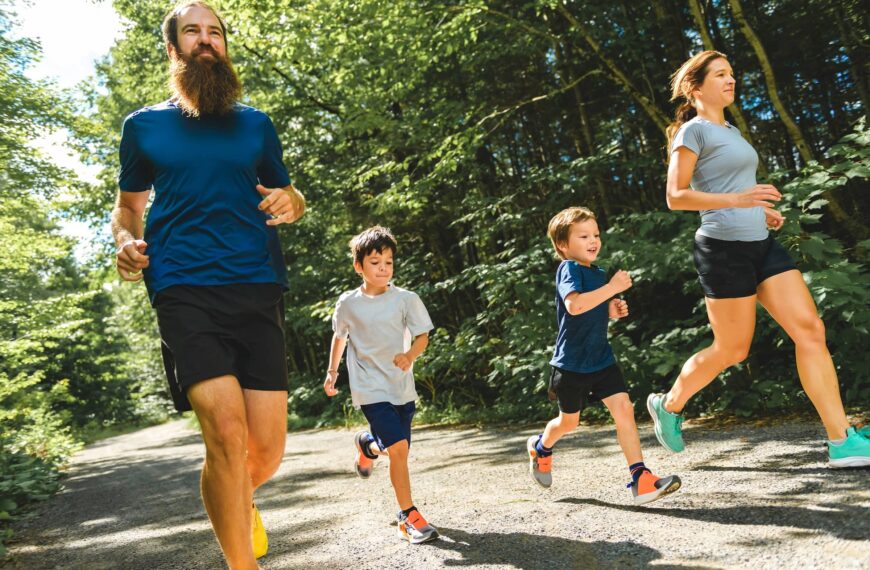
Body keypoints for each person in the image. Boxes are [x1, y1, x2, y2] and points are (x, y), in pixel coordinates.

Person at [111, 2, 305, 567]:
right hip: (183, 289)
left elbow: (286, 194)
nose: (205, 40)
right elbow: (127, 208)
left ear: (224, 46)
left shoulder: (256, 124)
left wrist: (294, 200)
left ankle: (238, 499)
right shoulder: (144, 126)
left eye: (214, 32)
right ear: (173, 50)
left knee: (264, 454)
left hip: (255, 284)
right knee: (225, 435)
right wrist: (125, 240)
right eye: (191, 31)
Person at [647, 50, 869, 468]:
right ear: (696, 88)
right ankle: (669, 404)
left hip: (761, 243)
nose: (731, 80)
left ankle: (841, 441)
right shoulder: (691, 133)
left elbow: (733, 186)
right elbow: (675, 197)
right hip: (723, 250)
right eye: (720, 75)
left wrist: (758, 210)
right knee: (732, 349)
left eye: (732, 74)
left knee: (810, 329)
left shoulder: (731, 130)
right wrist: (739, 200)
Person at [526, 207, 682, 505]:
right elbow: (574, 306)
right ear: (563, 245)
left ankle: (641, 479)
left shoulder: (597, 273)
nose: (593, 240)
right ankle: (541, 447)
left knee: (624, 408)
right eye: (583, 236)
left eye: (595, 234)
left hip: (601, 359)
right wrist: (612, 289)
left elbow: (591, 307)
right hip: (571, 364)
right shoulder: (568, 269)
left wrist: (611, 310)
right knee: (569, 422)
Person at [323, 226, 439, 543]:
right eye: (375, 262)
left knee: (395, 449)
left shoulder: (405, 299)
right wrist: (332, 371)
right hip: (369, 387)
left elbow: (423, 336)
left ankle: (368, 446)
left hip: (400, 385)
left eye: (388, 261)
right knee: (399, 450)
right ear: (358, 265)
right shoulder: (348, 303)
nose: (383, 268)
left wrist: (409, 355)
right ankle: (408, 516)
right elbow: (340, 336)